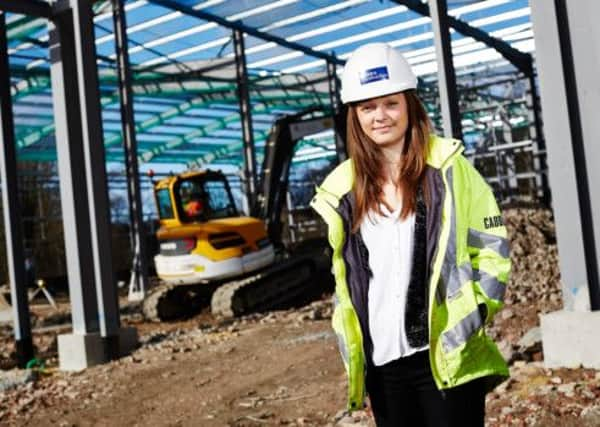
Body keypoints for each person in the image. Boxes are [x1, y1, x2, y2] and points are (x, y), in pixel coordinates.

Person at [310, 43, 511, 427]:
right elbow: (349, 281)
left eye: (390, 104)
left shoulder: (450, 170)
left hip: (445, 354)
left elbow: (491, 244)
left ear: (409, 105)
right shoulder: (341, 190)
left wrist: (481, 308)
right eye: (367, 107)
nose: (379, 116)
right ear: (355, 117)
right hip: (384, 364)